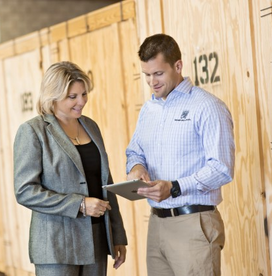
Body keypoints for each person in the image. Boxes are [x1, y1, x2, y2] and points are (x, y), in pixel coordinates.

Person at [126, 34, 235, 276]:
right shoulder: (149, 109)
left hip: (193, 224)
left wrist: (174, 187)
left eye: (158, 73)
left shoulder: (207, 106)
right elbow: (135, 151)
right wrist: (136, 167)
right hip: (156, 225)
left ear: (178, 66)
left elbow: (222, 168)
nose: (151, 82)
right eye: (146, 74)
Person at [14, 61, 127, 276]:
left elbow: (106, 183)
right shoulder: (32, 132)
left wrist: (117, 236)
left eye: (84, 94)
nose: (81, 102)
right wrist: (80, 205)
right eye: (72, 97)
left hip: (97, 238)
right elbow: (25, 191)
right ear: (53, 96)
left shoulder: (90, 126)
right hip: (57, 245)